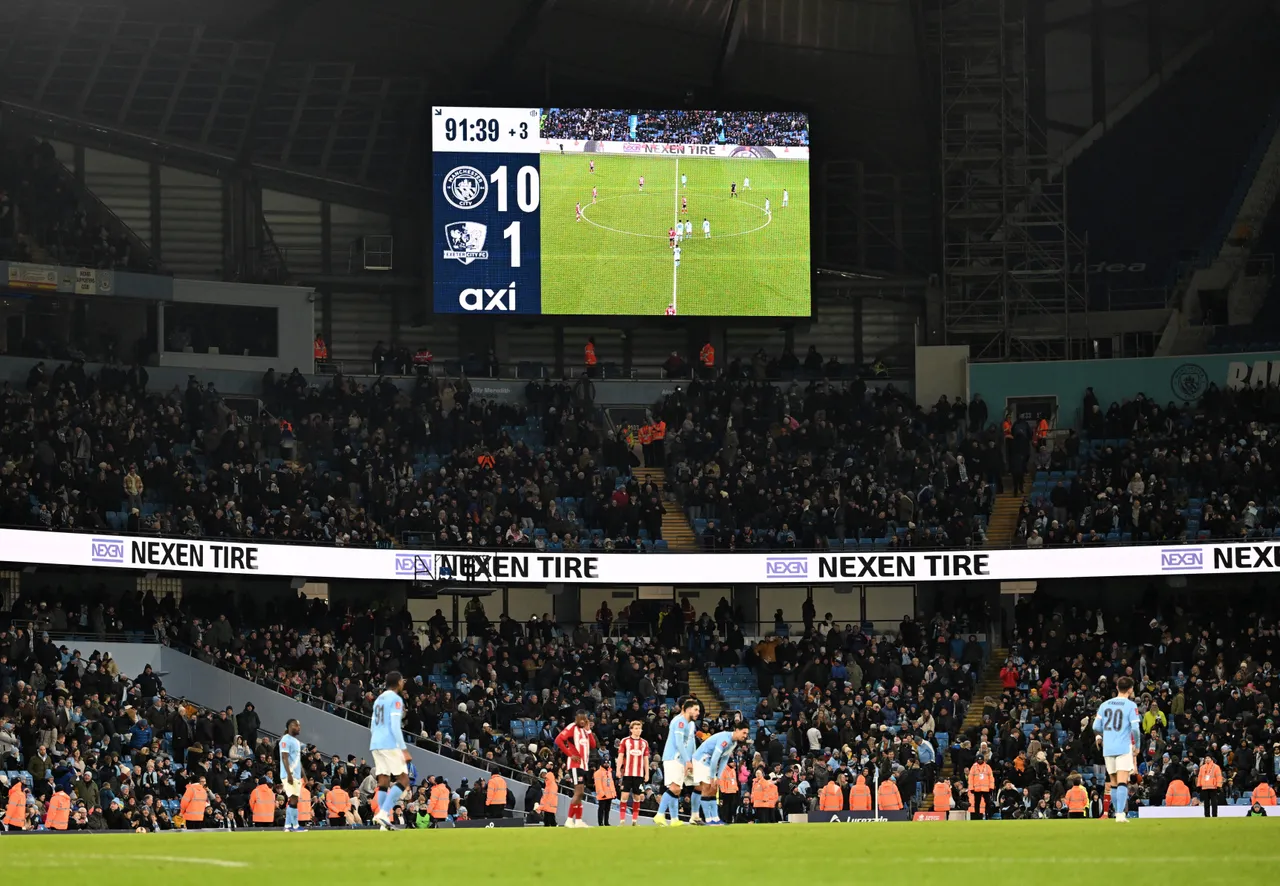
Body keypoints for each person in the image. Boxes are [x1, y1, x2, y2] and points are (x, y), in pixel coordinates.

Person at [1092, 674, 1140, 822]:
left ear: (1117, 688)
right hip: (1123, 748)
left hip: (1108, 749)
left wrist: (1103, 737)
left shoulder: (1104, 705)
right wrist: (1137, 746)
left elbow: (1095, 726)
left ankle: (1114, 814)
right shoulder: (1131, 706)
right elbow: (1136, 729)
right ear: (1131, 690)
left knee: (1113, 783)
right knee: (1122, 782)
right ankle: (1120, 814)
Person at [369, 671, 412, 831]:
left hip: (376, 743)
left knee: (384, 781)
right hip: (389, 743)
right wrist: (403, 749)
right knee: (404, 779)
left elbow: (373, 725)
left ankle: (383, 821)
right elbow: (395, 726)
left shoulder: (379, 699)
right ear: (399, 682)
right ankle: (384, 813)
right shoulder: (395, 699)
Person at [692, 724, 750, 825]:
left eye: (747, 734)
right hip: (701, 759)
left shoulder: (734, 743)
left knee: (714, 789)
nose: (745, 736)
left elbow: (724, 759)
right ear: (736, 730)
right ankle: (708, 819)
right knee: (707, 787)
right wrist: (712, 776)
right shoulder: (725, 739)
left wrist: (718, 777)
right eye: (744, 732)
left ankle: (715, 818)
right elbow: (715, 758)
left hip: (709, 761)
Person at [657, 696, 701, 826]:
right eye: (695, 709)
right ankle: (660, 815)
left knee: (686, 787)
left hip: (685, 760)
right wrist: (688, 760)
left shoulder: (691, 723)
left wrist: (693, 759)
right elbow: (679, 743)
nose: (698, 712)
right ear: (686, 708)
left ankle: (679, 818)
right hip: (674, 758)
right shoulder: (679, 721)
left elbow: (691, 742)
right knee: (675, 788)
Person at [554, 710, 597, 828]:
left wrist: (589, 731)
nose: (582, 721)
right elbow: (558, 740)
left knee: (581, 793)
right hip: (575, 765)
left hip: (584, 765)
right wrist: (570, 754)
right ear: (576, 719)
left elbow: (593, 745)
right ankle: (569, 820)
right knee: (578, 792)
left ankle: (578, 821)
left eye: (585, 719)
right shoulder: (572, 727)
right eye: (580, 719)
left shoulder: (585, 730)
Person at [616, 719, 650, 825]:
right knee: (624, 796)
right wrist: (618, 769)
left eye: (639, 728)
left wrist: (647, 773)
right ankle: (622, 820)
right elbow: (620, 756)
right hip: (627, 773)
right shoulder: (625, 741)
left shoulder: (644, 743)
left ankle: (634, 820)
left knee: (637, 797)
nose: (638, 730)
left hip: (639, 774)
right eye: (636, 728)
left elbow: (646, 759)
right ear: (631, 730)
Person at [279, 718, 304, 832]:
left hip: (296, 775)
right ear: (289, 726)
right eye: (296, 725)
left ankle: (288, 826)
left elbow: (298, 760)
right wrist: (289, 774)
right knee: (293, 799)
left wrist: (304, 776)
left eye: (299, 726)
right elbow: (284, 757)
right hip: (289, 774)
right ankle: (295, 826)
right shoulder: (285, 739)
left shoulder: (297, 742)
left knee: (294, 799)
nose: (299, 727)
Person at [1197, 753, 1223, 818]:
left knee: (1214, 803)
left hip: (1213, 787)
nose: (1207, 759)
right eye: (1206, 758)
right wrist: (1198, 785)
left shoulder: (1216, 767)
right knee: (1206, 803)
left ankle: (1214, 815)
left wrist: (1219, 785)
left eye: (1208, 758)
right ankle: (1207, 816)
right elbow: (1200, 777)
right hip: (1205, 787)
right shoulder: (1202, 767)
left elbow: (1219, 777)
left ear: (1211, 759)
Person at [593, 756, 616, 827]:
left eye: (607, 762)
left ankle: (606, 822)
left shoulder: (609, 772)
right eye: (605, 762)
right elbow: (598, 784)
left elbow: (611, 784)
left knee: (607, 809)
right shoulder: (598, 773)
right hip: (602, 795)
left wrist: (614, 793)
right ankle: (600, 823)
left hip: (609, 795)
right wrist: (602, 793)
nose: (606, 764)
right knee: (601, 809)